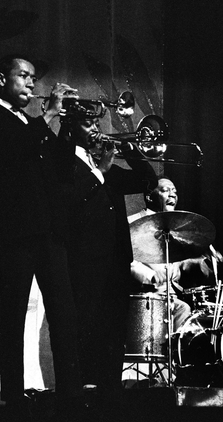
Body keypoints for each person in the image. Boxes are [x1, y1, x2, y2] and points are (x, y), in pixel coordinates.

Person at [0, 54, 84, 417]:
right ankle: (13, 399)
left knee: (64, 316)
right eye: (24, 76)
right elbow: (8, 156)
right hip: (16, 234)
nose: (32, 83)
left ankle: (72, 398)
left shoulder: (34, 123)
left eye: (34, 78)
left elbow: (62, 172)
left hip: (49, 234)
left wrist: (67, 126)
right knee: (13, 317)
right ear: (1, 78)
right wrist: (46, 117)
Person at [60, 115, 156, 403]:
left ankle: (110, 397)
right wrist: (100, 171)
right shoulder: (65, 162)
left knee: (114, 333)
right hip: (84, 262)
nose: (95, 130)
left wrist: (132, 152)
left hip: (116, 263)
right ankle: (79, 399)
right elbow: (72, 203)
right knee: (84, 329)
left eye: (96, 124)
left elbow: (147, 181)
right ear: (71, 128)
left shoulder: (106, 167)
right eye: (87, 124)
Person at [128, 177, 223, 333]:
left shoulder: (176, 228)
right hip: (143, 297)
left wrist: (199, 262)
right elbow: (123, 259)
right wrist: (150, 274)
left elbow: (176, 263)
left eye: (175, 191)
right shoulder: (131, 223)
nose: (172, 195)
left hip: (173, 297)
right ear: (149, 196)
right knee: (182, 310)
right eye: (166, 190)